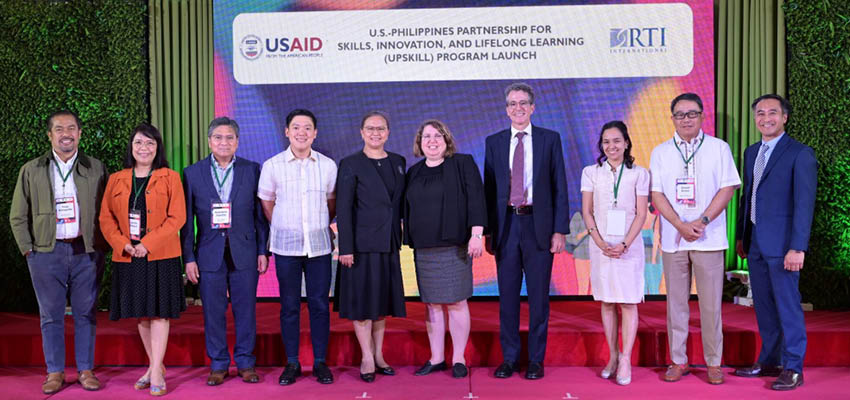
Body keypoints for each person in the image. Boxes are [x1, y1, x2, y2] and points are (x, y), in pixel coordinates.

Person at [10, 110, 108, 394]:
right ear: (50, 135)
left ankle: (85, 370)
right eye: (59, 129)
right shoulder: (32, 169)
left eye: (72, 128)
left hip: (86, 252)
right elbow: (18, 214)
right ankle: (54, 372)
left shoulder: (96, 168)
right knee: (50, 315)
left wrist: (102, 245)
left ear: (79, 133)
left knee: (86, 314)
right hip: (45, 252)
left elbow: (108, 210)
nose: (66, 133)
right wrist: (28, 250)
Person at [649, 93, 740, 385]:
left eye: (692, 114)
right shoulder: (661, 152)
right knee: (676, 303)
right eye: (680, 114)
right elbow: (657, 194)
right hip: (675, 239)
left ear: (702, 116)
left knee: (711, 305)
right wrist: (678, 224)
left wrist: (700, 222)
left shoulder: (718, 148)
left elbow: (727, 188)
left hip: (709, 237)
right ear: (672, 118)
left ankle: (714, 363)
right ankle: (678, 360)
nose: (686, 119)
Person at [483, 82, 569, 380]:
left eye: (523, 103)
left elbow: (560, 186)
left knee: (538, 299)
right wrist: (488, 232)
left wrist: (560, 230)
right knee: (507, 297)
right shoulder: (493, 142)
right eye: (512, 103)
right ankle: (509, 359)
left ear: (532, 107)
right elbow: (489, 189)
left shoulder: (549, 139)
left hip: (538, 227)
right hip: (506, 227)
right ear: (506, 109)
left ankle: (535, 359)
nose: (517, 108)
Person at [734, 94, 817, 391]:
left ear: (784, 117)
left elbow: (804, 204)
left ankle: (793, 367)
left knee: (787, 306)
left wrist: (798, 247)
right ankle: (770, 360)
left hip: (784, 247)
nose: (765, 118)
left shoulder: (800, 153)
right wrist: (742, 237)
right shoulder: (750, 152)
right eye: (760, 113)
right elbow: (748, 197)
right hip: (755, 243)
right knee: (765, 307)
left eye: (772, 112)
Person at [99, 123, 186, 396]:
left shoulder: (170, 177)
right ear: (131, 147)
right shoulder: (116, 179)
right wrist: (123, 244)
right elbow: (105, 218)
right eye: (138, 143)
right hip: (128, 255)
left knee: (159, 312)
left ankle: (156, 369)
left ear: (157, 147)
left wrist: (147, 244)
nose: (144, 148)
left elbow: (178, 218)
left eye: (150, 143)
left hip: (161, 255)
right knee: (141, 313)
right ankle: (154, 367)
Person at [181, 117, 269, 386]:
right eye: (218, 137)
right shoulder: (191, 173)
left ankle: (245, 362)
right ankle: (218, 364)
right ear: (209, 141)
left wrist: (262, 251)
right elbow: (186, 222)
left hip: (245, 250)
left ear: (237, 142)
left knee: (246, 311)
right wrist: (189, 258)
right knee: (213, 312)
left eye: (230, 137)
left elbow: (259, 217)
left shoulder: (252, 170)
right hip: (208, 253)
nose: (224, 142)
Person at [257, 109, 337, 386]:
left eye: (307, 128)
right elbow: (267, 202)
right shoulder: (273, 165)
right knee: (289, 306)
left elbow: (331, 202)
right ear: (287, 131)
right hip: (285, 247)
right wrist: (284, 225)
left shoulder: (327, 165)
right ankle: (292, 362)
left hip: (319, 247)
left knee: (319, 305)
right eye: (296, 127)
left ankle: (319, 362)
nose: (301, 132)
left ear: (315, 133)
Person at [403, 119, 486, 379]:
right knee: (432, 304)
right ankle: (436, 357)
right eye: (426, 136)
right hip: (425, 248)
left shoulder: (462, 164)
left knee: (457, 302)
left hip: (455, 245)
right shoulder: (413, 173)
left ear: (447, 140)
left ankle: (458, 358)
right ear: (419, 142)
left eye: (438, 135)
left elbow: (476, 199)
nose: (432, 140)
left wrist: (477, 234)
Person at [335, 111, 406, 383]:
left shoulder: (398, 162)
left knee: (381, 303)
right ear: (361, 132)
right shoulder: (351, 163)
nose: (376, 133)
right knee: (363, 304)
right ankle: (365, 356)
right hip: (360, 247)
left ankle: (378, 355)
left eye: (381, 129)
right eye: (370, 128)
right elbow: (343, 208)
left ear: (388, 132)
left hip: (388, 244)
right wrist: (346, 247)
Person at [580, 121, 649, 385]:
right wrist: (598, 241)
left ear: (627, 143)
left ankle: (626, 359)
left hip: (628, 248)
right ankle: (612, 356)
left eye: (617, 141)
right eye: (606, 142)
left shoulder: (639, 174)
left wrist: (624, 245)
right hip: (601, 247)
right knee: (607, 301)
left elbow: (641, 213)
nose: (612, 146)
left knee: (628, 302)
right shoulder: (590, 173)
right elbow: (587, 211)